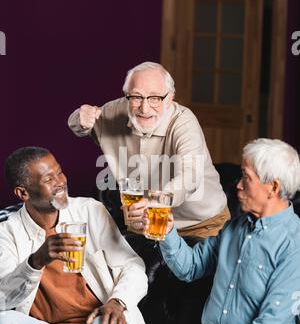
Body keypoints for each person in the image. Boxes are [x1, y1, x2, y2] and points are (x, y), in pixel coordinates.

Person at [132, 139, 300, 324]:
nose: (238, 185)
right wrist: (167, 231)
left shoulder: (294, 242)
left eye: (246, 178)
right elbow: (188, 268)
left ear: (273, 187)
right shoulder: (234, 228)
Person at [0, 147, 153, 324]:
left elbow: (133, 266)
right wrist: (35, 262)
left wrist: (117, 302)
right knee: (4, 323)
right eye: (49, 179)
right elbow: (3, 299)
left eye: (60, 172)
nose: (60, 181)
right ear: (23, 193)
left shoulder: (90, 210)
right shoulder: (7, 233)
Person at [68, 61, 229, 238]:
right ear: (126, 95)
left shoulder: (184, 122)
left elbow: (190, 176)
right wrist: (79, 117)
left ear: (170, 97)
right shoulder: (114, 111)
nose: (144, 108)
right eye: (137, 97)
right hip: (145, 224)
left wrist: (154, 202)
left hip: (200, 225)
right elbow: (80, 124)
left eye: (155, 98)